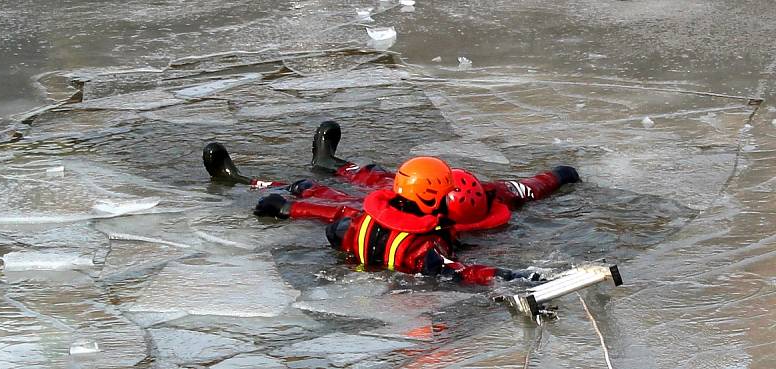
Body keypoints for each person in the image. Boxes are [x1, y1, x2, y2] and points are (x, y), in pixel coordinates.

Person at [203, 122, 580, 284]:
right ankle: (327, 162)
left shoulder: (438, 222)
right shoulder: (493, 194)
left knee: (316, 192)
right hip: (397, 200)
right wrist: (561, 175)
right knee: (373, 177)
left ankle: (243, 180)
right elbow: (532, 186)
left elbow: (337, 216)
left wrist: (287, 207)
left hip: (379, 213)